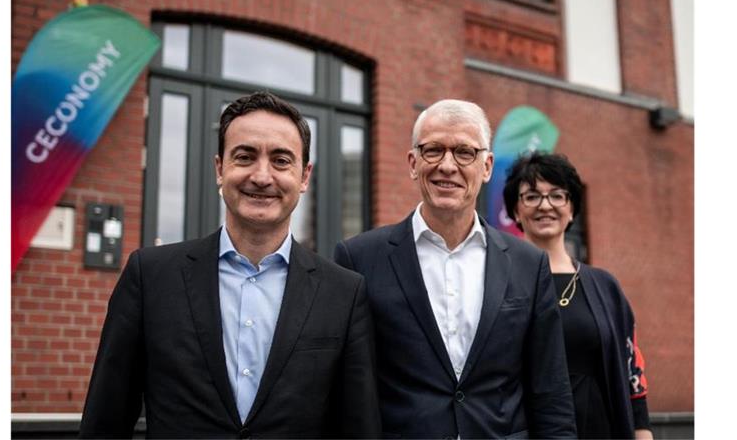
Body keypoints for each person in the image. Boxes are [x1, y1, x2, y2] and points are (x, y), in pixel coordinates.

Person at [80, 91, 381, 438]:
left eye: (281, 160)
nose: (262, 176)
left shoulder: (344, 293)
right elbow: (105, 421)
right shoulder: (150, 277)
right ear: (220, 168)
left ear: (304, 176)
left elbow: (359, 429)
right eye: (245, 157)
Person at [334, 99, 576, 439]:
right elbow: (347, 391)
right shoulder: (358, 258)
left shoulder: (528, 264)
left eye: (465, 152)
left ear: (488, 166)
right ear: (413, 162)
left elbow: (551, 391)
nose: (447, 165)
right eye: (433, 150)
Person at [502, 151, 652, 439]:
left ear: (571, 209)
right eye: (531, 196)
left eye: (557, 196)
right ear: (515, 211)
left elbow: (633, 375)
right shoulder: (499, 283)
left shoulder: (605, 287)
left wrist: (642, 434)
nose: (545, 205)